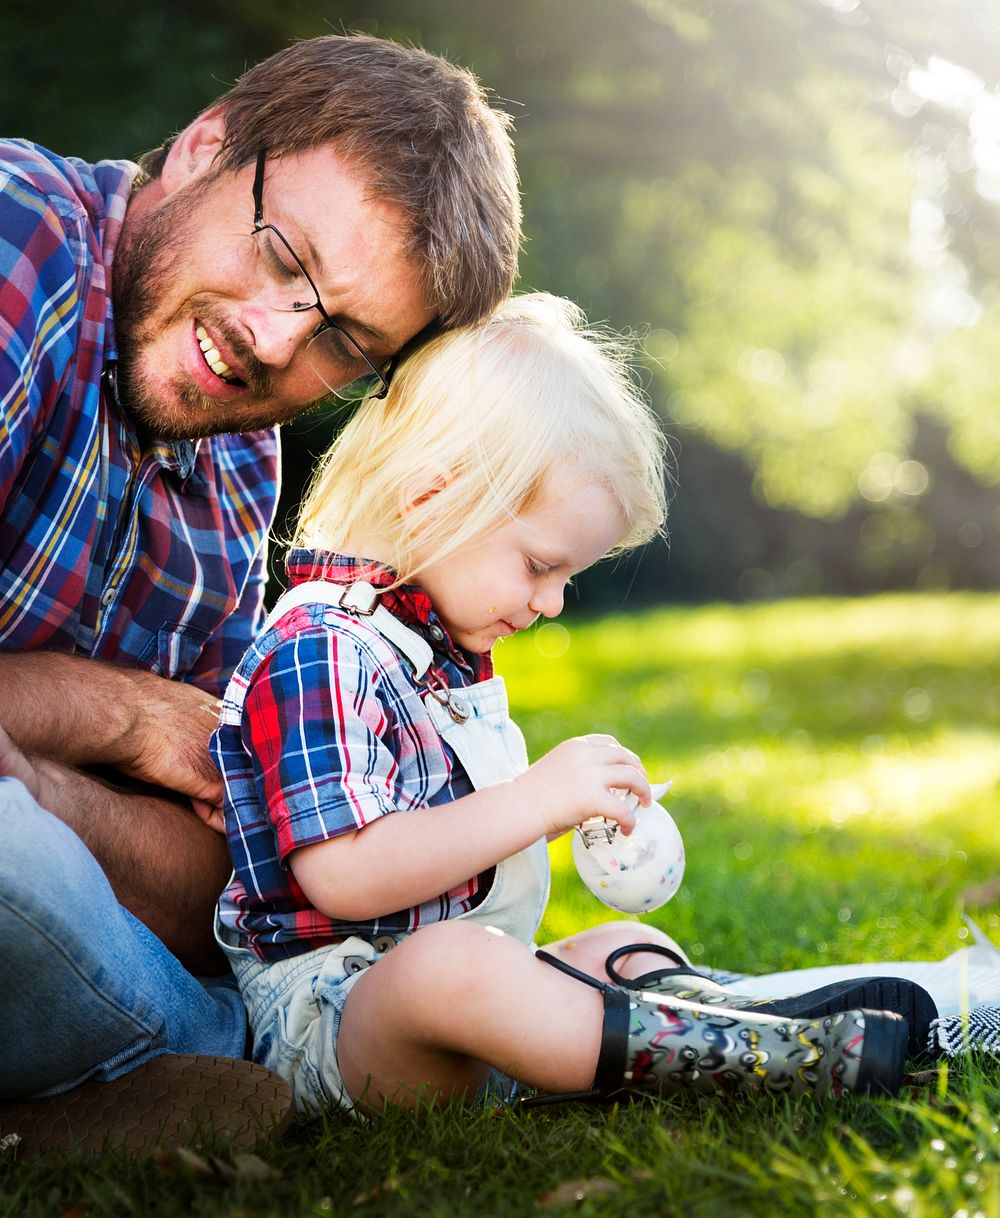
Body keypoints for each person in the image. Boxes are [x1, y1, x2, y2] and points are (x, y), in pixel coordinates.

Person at [0, 32, 520, 1146]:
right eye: (285, 257)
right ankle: (159, 1063)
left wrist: (34, 778)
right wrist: (115, 715)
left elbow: (232, 888)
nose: (272, 339)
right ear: (205, 148)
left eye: (340, 337)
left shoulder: (240, 465)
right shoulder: (18, 239)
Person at [211, 293, 913, 1117]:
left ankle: (719, 1026)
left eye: (566, 578)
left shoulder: (438, 656)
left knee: (626, 946)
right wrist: (535, 801)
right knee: (453, 972)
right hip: (336, 1020)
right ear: (432, 498)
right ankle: (738, 1054)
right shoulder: (318, 648)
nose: (552, 603)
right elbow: (345, 875)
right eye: (541, 565)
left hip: (470, 986)